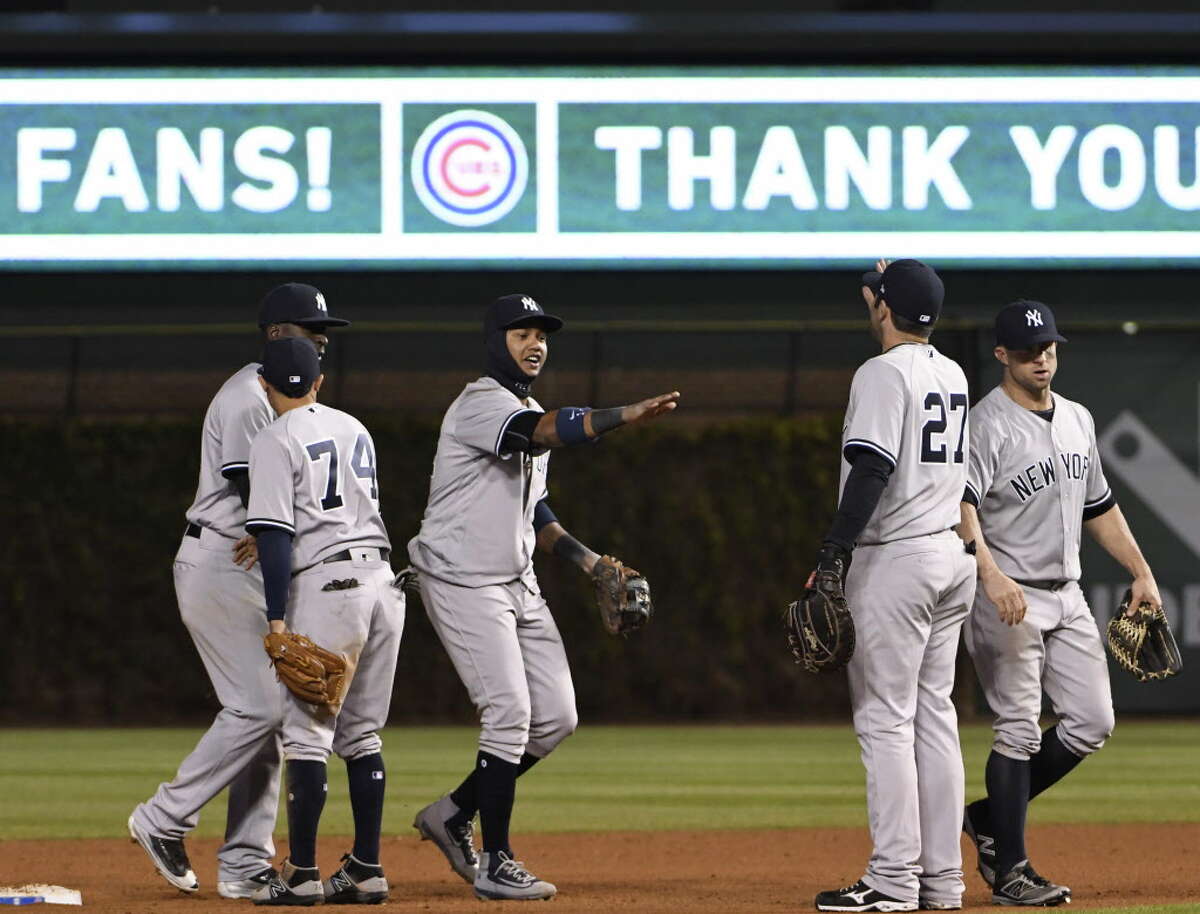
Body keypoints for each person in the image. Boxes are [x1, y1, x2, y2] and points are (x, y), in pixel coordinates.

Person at [407, 293, 679, 901]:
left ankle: (452, 813)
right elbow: (546, 430)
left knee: (556, 717)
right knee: (508, 714)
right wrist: (623, 415)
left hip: (515, 580)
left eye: (541, 334)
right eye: (519, 332)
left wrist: (589, 562)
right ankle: (497, 862)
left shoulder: (521, 407)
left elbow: (536, 514)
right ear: (493, 342)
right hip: (461, 579)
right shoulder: (481, 403)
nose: (535, 343)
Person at [128, 283, 349, 899]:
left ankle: (245, 863)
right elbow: (261, 493)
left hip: (238, 563)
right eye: (311, 329)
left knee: (275, 713)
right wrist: (275, 529)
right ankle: (163, 817)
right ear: (277, 333)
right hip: (221, 562)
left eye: (325, 332)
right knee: (261, 706)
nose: (322, 339)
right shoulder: (250, 398)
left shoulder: (277, 395)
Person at [959, 300, 1163, 907]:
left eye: (1047, 347)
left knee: (1093, 721)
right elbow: (961, 507)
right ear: (1002, 356)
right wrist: (989, 575)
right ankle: (1013, 869)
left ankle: (989, 817)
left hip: (1066, 593)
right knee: (1019, 731)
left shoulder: (1077, 417)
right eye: (1026, 352)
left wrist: (1142, 572)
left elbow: (1098, 506)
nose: (1041, 359)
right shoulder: (985, 424)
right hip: (1008, 594)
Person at [812, 259, 976, 914]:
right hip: (950, 555)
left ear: (881, 307)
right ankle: (942, 882)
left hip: (898, 560)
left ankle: (892, 881)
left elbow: (872, 470)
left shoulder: (880, 373)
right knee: (936, 718)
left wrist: (833, 551)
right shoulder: (953, 372)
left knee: (885, 721)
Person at [243, 336, 404, 906]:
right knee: (361, 734)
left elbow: (275, 535)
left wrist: (278, 619)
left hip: (328, 585)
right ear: (319, 382)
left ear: (264, 386)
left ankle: (303, 873)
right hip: (384, 584)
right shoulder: (354, 426)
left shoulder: (272, 438)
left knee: (307, 735)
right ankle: (366, 868)